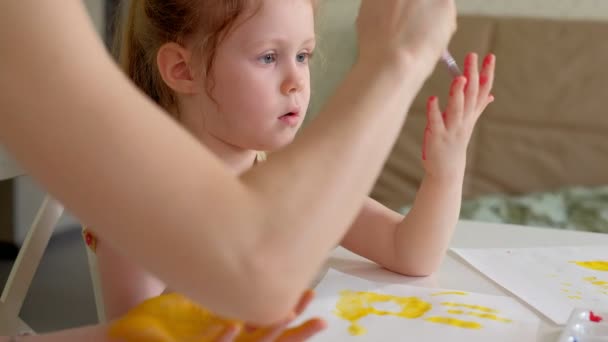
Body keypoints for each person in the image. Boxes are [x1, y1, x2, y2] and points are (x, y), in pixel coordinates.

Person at [0, 0, 464, 340]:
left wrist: (446, 171)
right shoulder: (146, 198)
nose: (296, 80)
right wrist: (394, 61)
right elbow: (138, 332)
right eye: (268, 57)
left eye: (303, 55)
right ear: (183, 70)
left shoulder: (281, 173)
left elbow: (409, 252)